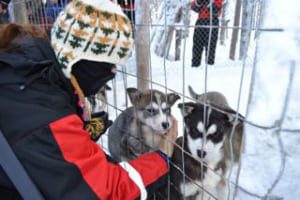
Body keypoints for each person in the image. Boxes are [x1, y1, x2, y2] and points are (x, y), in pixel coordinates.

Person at [0, 0, 178, 199]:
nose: (113, 72)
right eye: (109, 63)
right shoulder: (43, 113)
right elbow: (106, 191)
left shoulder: (25, 72)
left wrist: (79, 131)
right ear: (77, 56)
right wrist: (162, 157)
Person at [191, 0, 223, 67]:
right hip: (200, 21)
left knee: (210, 47)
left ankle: (209, 67)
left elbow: (216, 10)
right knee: (197, 46)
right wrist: (199, 2)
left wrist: (209, 2)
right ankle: (195, 66)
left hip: (212, 21)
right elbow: (194, 7)